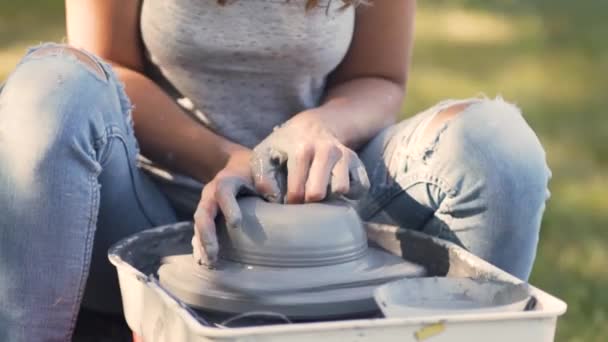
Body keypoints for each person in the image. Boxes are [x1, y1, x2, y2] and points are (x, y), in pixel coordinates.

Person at [0, 0, 550, 340]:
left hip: (325, 212)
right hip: (148, 214)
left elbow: (379, 77)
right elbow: (105, 68)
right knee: (51, 88)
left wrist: (316, 128)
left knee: (496, 146)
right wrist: (230, 159)